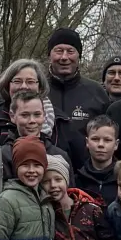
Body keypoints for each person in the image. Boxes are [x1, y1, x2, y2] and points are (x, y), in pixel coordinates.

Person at [44, 155, 121, 240]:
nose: (53, 185)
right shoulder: (46, 214)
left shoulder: (91, 209)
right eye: (46, 181)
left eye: (58, 179)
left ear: (66, 180)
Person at [45, 28, 111, 162]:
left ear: (79, 55)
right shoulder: (37, 89)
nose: (64, 57)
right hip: (42, 172)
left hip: (85, 175)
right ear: (49, 55)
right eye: (59, 51)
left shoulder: (96, 92)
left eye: (70, 51)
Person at [0, 91, 66, 183]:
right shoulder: (4, 156)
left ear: (44, 115)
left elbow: (69, 193)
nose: (32, 121)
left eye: (37, 114)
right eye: (25, 115)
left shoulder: (59, 155)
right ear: (12, 116)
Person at [0, 59, 52, 146]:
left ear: (40, 87)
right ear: (7, 85)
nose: (23, 86)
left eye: (30, 81)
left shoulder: (58, 120)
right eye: (17, 81)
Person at [75, 116, 120, 205]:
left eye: (107, 140)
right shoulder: (77, 180)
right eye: (95, 139)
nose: (100, 144)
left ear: (116, 144)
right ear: (87, 142)